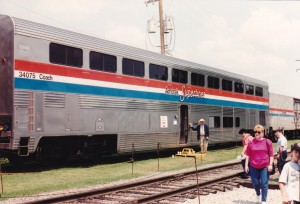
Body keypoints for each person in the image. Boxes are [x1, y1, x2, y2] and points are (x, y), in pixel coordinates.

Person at [245, 124, 274, 204]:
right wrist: (246, 165)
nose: (256, 133)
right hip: (253, 166)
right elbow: (248, 155)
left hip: (264, 166)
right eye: (255, 132)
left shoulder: (268, 142)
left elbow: (271, 154)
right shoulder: (251, 142)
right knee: (255, 183)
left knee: (264, 183)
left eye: (258, 132)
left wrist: (270, 164)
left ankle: (263, 200)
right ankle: (258, 194)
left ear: (262, 133)